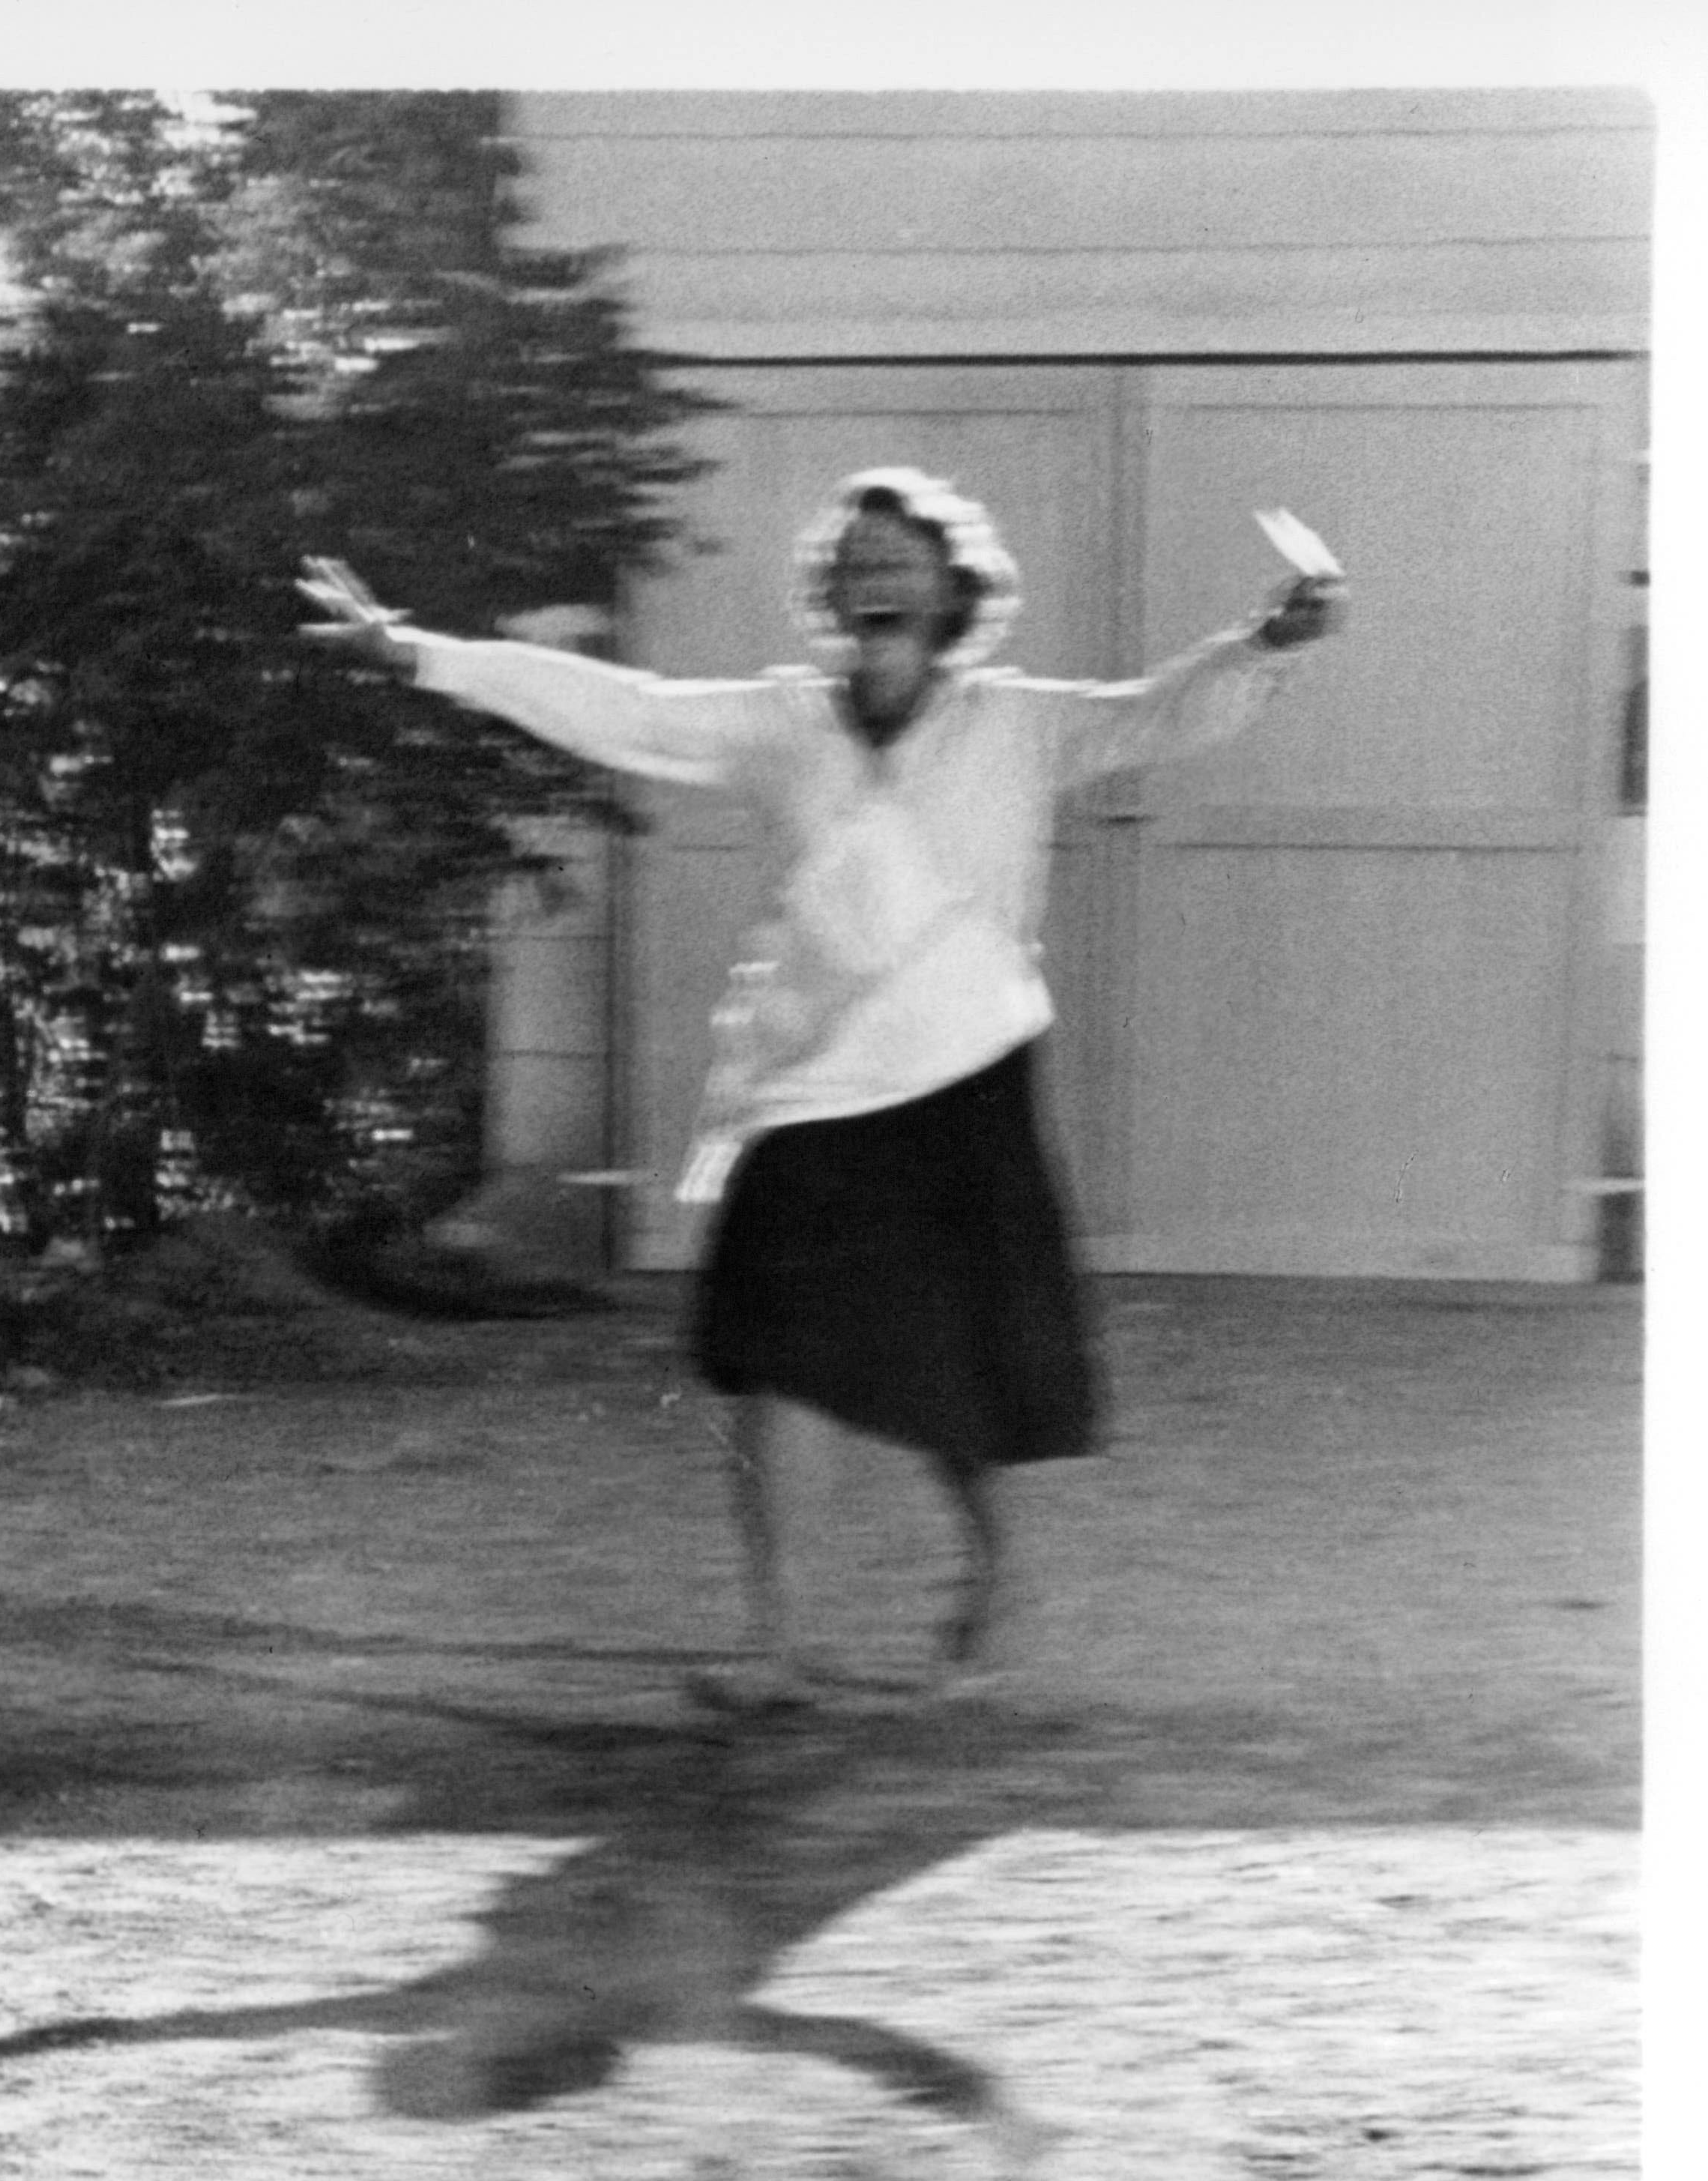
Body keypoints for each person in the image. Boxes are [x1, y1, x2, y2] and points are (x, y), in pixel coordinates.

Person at [301, 471, 1343, 1706]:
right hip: (812, 1085)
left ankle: (996, 1563)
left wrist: (1264, 639)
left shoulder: (1018, 721)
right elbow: (623, 710)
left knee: (952, 1355)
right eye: (853, 561)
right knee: (774, 1352)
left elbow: (1157, 713)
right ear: (830, 595)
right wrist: (416, 653)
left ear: (953, 586)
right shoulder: (780, 719)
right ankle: (777, 1647)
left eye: (897, 557)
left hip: (966, 1067)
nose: (871, 577)